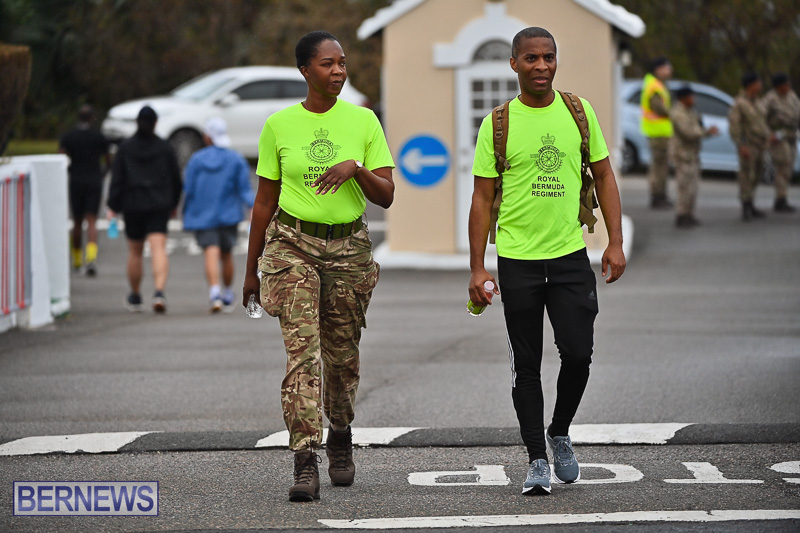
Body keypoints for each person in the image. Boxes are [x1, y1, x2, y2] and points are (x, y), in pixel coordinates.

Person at [468, 27, 626, 496]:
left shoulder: (578, 113)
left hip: (569, 257)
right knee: (528, 366)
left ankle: (560, 431)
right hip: (517, 260)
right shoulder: (497, 123)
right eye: (532, 58)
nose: (542, 66)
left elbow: (604, 176)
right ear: (514, 64)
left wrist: (615, 242)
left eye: (549, 58)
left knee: (578, 354)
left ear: (557, 61)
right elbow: (481, 199)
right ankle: (537, 458)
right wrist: (478, 268)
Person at [242, 31, 394, 502]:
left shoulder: (365, 121)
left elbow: (386, 194)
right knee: (302, 354)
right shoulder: (278, 126)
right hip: (291, 247)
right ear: (305, 71)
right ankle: (305, 459)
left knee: (341, 359)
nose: (338, 72)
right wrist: (251, 269)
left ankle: (342, 435)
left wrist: (356, 168)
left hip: (348, 250)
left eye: (342, 63)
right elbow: (265, 200)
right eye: (328, 64)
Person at [107, 105, 182, 313]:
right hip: (159, 203)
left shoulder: (125, 148)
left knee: (135, 251)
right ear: (156, 123)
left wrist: (113, 205)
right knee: (158, 248)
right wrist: (174, 203)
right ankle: (159, 292)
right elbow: (176, 179)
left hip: (133, 203)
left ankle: (135, 294)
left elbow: (117, 180)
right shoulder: (165, 147)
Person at [183, 117, 254, 313]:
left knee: (210, 252)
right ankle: (229, 293)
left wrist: (184, 210)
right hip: (229, 214)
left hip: (203, 215)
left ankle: (214, 293)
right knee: (226, 254)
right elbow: (245, 190)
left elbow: (188, 188)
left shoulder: (196, 160)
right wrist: (251, 209)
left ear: (208, 137)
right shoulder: (236, 159)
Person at [59, 104, 110, 276]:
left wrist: (69, 169)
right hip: (94, 180)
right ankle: (91, 259)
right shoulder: (98, 136)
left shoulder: (70, 136)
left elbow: (61, 155)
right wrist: (104, 171)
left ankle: (77, 260)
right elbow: (107, 157)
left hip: (76, 180)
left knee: (77, 223)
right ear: (92, 118)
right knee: (92, 221)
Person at [670, 86, 719, 228]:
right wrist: (706, 132)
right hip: (683, 155)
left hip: (692, 154)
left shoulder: (690, 111)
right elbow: (688, 132)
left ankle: (688, 214)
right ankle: (681, 215)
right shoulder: (678, 113)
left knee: (693, 187)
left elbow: (696, 126)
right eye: (691, 97)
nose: (693, 99)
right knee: (684, 186)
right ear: (683, 98)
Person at [729, 73, 771, 221]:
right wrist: (741, 145)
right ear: (750, 85)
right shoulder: (740, 103)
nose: (760, 85)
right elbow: (735, 126)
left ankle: (751, 203)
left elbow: (762, 123)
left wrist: (768, 136)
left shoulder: (758, 102)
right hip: (749, 145)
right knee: (746, 175)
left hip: (760, 145)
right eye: (757, 83)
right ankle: (745, 206)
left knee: (757, 174)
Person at [762, 72, 800, 213]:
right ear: (779, 86)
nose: (788, 86)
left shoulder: (792, 96)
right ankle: (780, 199)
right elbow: (761, 118)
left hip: (791, 136)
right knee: (782, 167)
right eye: (785, 84)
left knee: (789, 167)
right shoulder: (770, 99)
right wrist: (768, 134)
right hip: (778, 138)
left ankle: (783, 197)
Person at [640, 56, 674, 208]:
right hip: (658, 132)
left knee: (660, 166)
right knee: (659, 168)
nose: (669, 71)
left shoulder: (655, 84)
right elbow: (658, 108)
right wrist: (673, 113)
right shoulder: (654, 86)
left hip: (659, 132)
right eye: (666, 68)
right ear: (658, 69)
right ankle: (658, 197)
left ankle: (660, 196)